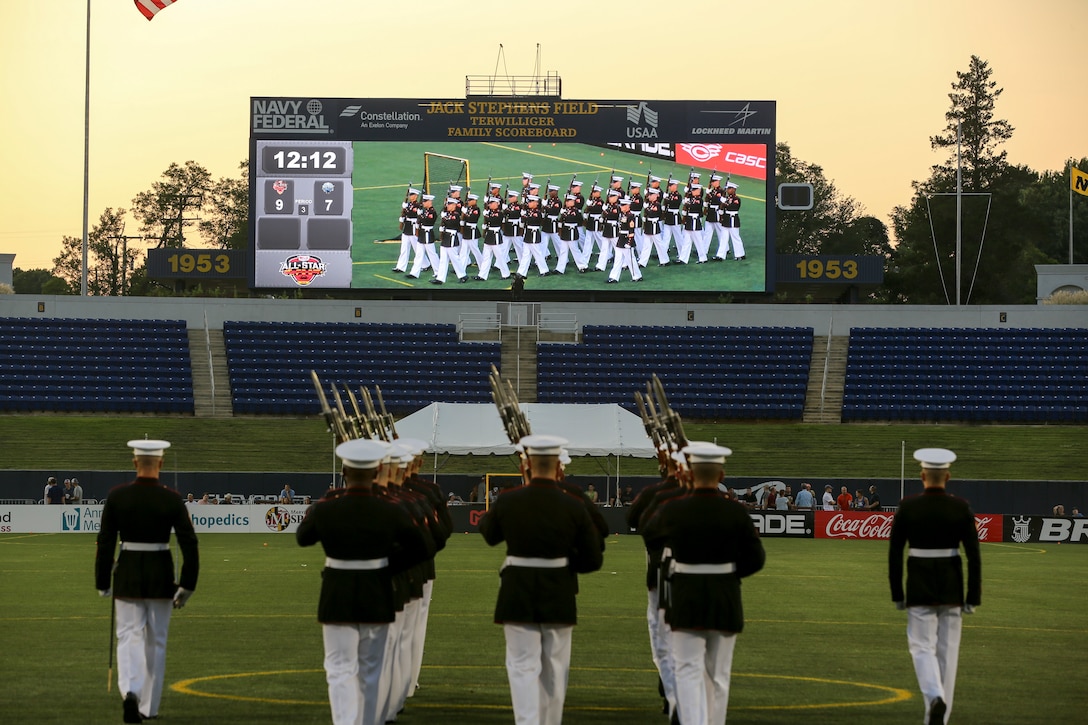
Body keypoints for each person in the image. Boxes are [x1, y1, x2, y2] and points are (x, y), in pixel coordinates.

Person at [296, 438, 433, 725]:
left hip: (337, 591)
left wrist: (328, 500)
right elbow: (420, 547)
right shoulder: (391, 509)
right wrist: (386, 566)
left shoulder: (329, 507)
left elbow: (303, 537)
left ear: (345, 473)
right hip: (377, 590)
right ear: (376, 471)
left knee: (339, 666)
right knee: (373, 668)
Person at [479, 434, 604, 725]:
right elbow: (593, 558)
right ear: (557, 464)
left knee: (522, 666)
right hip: (559, 588)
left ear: (527, 465)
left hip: (517, 589)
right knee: (555, 668)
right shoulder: (574, 504)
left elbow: (488, 533)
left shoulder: (510, 499)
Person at [642, 442, 765, 725]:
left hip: (684, 596)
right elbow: (756, 558)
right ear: (721, 476)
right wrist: (728, 574)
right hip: (725, 598)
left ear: (689, 473)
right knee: (718, 677)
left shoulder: (673, 509)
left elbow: (650, 535)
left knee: (686, 671)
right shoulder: (735, 512)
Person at [95, 439, 199, 724]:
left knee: (128, 635)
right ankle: (148, 707)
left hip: (127, 573)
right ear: (161, 464)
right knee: (157, 640)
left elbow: (105, 543)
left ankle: (130, 691)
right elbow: (189, 544)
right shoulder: (171, 498)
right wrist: (187, 586)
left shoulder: (117, 496)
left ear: (134, 463)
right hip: (161, 575)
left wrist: (103, 581)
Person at [889, 448, 981, 725]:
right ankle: (938, 717)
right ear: (948, 476)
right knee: (948, 654)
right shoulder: (960, 507)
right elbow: (974, 555)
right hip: (952, 586)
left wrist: (897, 593)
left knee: (921, 647)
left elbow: (895, 553)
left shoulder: (908, 506)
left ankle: (933, 695)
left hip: (919, 584)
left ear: (922, 475)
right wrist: (972, 596)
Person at [717, 182, 746, 260]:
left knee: (735, 237)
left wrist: (724, 203)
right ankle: (720, 255)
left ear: (734, 189)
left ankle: (740, 254)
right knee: (723, 238)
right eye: (727, 188)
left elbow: (732, 207)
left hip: (733, 219)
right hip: (726, 219)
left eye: (729, 189)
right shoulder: (726, 198)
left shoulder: (736, 199)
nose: (728, 190)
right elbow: (722, 208)